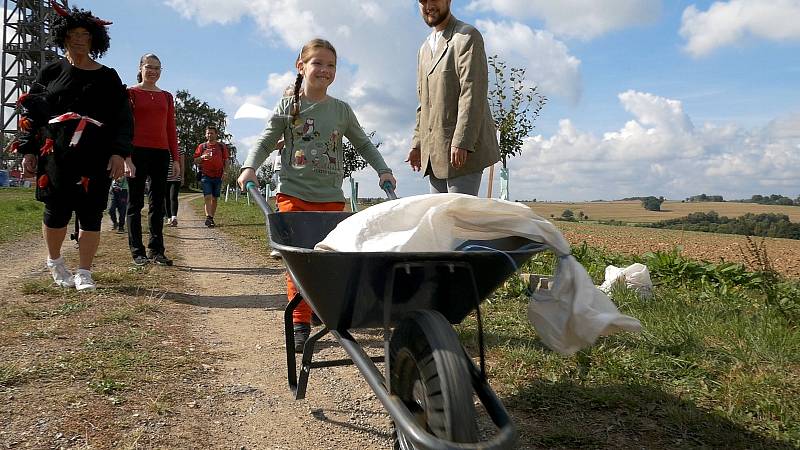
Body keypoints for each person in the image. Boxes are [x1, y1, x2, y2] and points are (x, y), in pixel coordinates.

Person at [237, 38, 397, 352]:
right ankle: (299, 320)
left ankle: (320, 310)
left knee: (327, 262)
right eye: (317, 63)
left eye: (331, 65)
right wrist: (249, 167)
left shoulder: (341, 110)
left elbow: (363, 144)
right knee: (298, 263)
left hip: (330, 199)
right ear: (301, 67)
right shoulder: (289, 105)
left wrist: (384, 170)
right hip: (294, 195)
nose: (324, 70)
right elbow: (268, 138)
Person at [15, 4, 132, 291]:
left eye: (85, 35)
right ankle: (55, 261)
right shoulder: (50, 71)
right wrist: (28, 149)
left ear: (94, 39)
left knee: (91, 214)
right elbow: (33, 115)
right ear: (63, 36)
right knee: (56, 212)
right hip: (56, 154)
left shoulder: (108, 76)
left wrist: (119, 152)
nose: (79, 39)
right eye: (73, 34)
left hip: (96, 154)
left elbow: (122, 117)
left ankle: (84, 271)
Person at [406, 0, 500, 196]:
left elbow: (472, 92)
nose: (428, 5)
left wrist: (462, 141)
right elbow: (423, 103)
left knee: (458, 222)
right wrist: (418, 144)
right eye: (423, 1)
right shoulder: (423, 49)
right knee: (438, 220)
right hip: (434, 153)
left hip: (463, 153)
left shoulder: (466, 36)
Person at [126, 53, 180, 266]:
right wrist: (126, 157)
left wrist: (175, 159)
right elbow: (125, 127)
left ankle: (156, 250)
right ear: (140, 67)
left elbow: (170, 129)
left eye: (157, 68)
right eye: (149, 67)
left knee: (158, 203)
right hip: (137, 151)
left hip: (160, 154)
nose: (153, 71)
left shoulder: (166, 96)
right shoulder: (130, 93)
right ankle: (137, 251)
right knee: (135, 202)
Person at [193, 125, 229, 228]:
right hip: (206, 175)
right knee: (207, 196)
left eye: (212, 133)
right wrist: (202, 157)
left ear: (216, 134)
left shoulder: (221, 146)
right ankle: (208, 217)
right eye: (208, 133)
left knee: (215, 198)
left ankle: (211, 218)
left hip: (218, 175)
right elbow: (195, 160)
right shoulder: (202, 146)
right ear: (205, 134)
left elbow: (226, 160)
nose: (209, 135)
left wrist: (225, 173)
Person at [164, 151, 184, 227]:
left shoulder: (179, 149)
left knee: (173, 196)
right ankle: (169, 218)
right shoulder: (164, 147)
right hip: (164, 178)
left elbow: (182, 164)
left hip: (176, 178)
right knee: (166, 198)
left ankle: (174, 218)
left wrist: (182, 177)